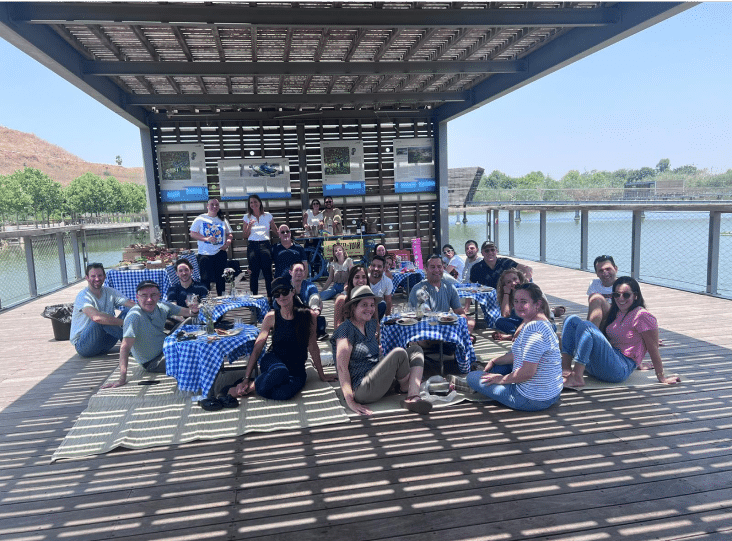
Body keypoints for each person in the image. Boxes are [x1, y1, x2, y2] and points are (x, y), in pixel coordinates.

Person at [223, 277, 336, 400]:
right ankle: (242, 387)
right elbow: (257, 348)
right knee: (280, 372)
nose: (281, 296)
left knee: (283, 394)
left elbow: (313, 346)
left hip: (296, 368)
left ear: (292, 291)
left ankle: (252, 385)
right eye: (277, 294)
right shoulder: (271, 317)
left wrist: (322, 375)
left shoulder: (308, 316)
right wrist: (246, 377)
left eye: (284, 291)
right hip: (273, 360)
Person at [562, 277, 681, 388]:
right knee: (571, 320)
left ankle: (577, 377)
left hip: (619, 368)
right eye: (616, 295)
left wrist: (661, 376)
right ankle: (566, 370)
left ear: (635, 296)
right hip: (603, 363)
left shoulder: (643, 316)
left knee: (587, 326)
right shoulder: (617, 312)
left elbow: (653, 348)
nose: (620, 298)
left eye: (626, 295)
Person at [332, 285, 432, 415]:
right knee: (399, 353)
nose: (370, 309)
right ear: (353, 307)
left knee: (416, 350)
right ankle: (406, 385)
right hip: (361, 388)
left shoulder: (370, 325)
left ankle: (413, 396)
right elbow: (341, 368)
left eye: (372, 305)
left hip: (375, 378)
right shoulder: (345, 330)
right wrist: (350, 401)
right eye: (364, 305)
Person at [465, 283, 563, 411]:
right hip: (552, 392)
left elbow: (527, 373)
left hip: (531, 399)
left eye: (524, 302)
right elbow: (518, 354)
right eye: (516, 301)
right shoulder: (541, 323)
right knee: (498, 366)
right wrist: (494, 360)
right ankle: (492, 375)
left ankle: (492, 380)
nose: (518, 306)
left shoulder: (536, 334)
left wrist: (501, 380)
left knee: (472, 378)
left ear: (538, 304)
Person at [101, 280, 199, 388]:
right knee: (193, 360)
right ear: (137, 297)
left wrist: (193, 310)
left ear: (159, 296)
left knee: (191, 321)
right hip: (154, 361)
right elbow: (125, 347)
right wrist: (122, 378)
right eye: (144, 295)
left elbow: (188, 313)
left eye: (153, 295)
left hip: (167, 346)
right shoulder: (134, 316)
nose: (149, 299)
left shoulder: (162, 306)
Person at [70, 263, 135, 357]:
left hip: (106, 343)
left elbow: (131, 304)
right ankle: (133, 344)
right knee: (100, 319)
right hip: (85, 346)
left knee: (130, 311)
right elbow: (97, 318)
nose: (97, 279)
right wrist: (125, 322)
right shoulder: (83, 296)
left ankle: (143, 338)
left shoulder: (110, 291)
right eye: (93, 276)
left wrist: (148, 310)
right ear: (87, 278)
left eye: (100, 275)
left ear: (104, 277)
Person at [408, 255, 473, 331]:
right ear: (426, 269)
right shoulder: (419, 289)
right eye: (432, 267)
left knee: (471, 321)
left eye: (439, 267)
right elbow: (423, 315)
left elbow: (458, 311)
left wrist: (463, 318)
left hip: (444, 322)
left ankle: (462, 338)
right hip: (424, 325)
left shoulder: (449, 287)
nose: (436, 270)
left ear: (443, 268)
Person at [189, 199, 233, 296]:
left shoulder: (223, 220)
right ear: (207, 206)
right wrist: (206, 238)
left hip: (220, 253)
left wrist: (227, 244)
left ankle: (221, 299)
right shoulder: (200, 219)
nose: (214, 207)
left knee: (221, 278)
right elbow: (192, 233)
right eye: (212, 204)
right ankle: (206, 300)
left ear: (219, 207)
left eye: (216, 205)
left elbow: (229, 234)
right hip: (205, 254)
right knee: (205, 279)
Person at [242, 194, 278, 299]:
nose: (253, 204)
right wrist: (249, 226)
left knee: (268, 273)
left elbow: (275, 230)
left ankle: (271, 298)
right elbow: (244, 235)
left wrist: (285, 236)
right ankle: (254, 299)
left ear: (260, 202)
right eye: (251, 202)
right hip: (252, 245)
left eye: (255, 202)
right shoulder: (247, 217)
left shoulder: (268, 215)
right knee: (254, 273)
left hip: (265, 244)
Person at [289, 261, 328, 339]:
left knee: (316, 297)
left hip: (308, 314)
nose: (299, 273)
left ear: (304, 273)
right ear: (290, 272)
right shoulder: (286, 286)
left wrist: (316, 311)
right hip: (291, 315)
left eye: (301, 270)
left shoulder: (310, 285)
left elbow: (315, 298)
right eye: (296, 270)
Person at [333, 264, 369, 330]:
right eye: (357, 277)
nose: (361, 280)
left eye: (364, 277)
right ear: (351, 280)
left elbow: (376, 323)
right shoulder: (342, 300)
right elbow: (336, 327)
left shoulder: (371, 300)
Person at [587, 254, 618, 327]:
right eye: (601, 270)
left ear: (615, 269)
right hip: (601, 319)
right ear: (597, 274)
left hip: (618, 318)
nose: (605, 273)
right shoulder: (594, 284)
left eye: (608, 269)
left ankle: (590, 332)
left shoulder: (623, 284)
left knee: (597, 298)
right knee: (571, 319)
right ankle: (589, 330)